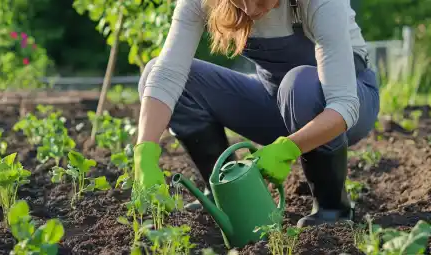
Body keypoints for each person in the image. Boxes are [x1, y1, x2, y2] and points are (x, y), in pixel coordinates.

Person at [134, 0, 380, 227]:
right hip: (273, 101)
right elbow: (167, 75)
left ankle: (332, 209)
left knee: (299, 85)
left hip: (345, 106)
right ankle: (227, 196)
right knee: (156, 73)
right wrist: (145, 152)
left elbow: (344, 105)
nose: (250, 9)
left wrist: (288, 149)